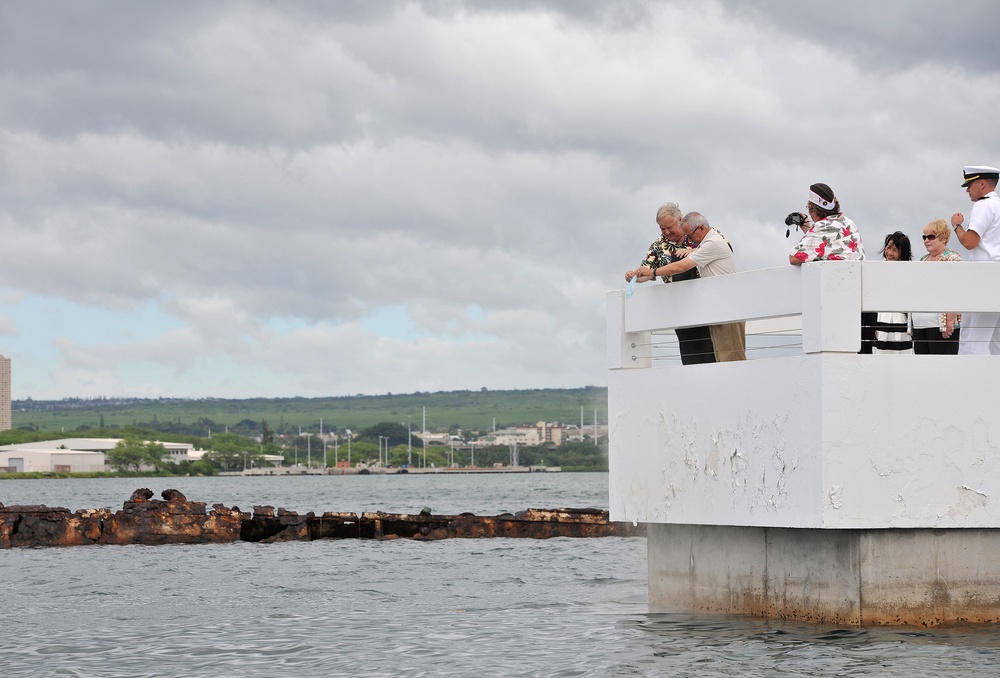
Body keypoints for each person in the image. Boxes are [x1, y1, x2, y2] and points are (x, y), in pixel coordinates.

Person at [624, 203, 716, 364]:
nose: (666, 232)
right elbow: (647, 270)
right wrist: (634, 276)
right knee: (689, 354)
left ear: (680, 220)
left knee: (711, 350)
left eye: (670, 227)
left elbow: (721, 247)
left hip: (706, 302)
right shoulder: (658, 245)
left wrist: (694, 252)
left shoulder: (700, 233)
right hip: (679, 306)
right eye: (662, 229)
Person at [650, 212, 746, 361]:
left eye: (690, 235)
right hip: (721, 310)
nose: (689, 239)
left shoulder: (712, 244)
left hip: (727, 309)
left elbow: (681, 267)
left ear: (701, 228)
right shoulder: (707, 244)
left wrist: (653, 272)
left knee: (731, 359)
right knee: (722, 358)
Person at [787, 183, 871, 350]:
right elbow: (829, 243)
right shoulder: (848, 222)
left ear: (813, 209)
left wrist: (810, 228)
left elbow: (794, 257)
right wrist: (808, 228)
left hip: (837, 299)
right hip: (860, 298)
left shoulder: (820, 228)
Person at [952, 165, 1000, 355]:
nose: (967, 190)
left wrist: (957, 225)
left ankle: (972, 384)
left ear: (982, 183)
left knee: (972, 341)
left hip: (984, 278)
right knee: (995, 343)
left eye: (970, 184)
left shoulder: (983, 205)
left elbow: (970, 241)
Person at [912, 219, 962, 354]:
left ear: (943, 238)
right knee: (923, 367)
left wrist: (950, 319)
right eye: (924, 237)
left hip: (941, 325)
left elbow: (955, 290)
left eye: (931, 237)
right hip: (920, 324)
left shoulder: (953, 259)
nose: (926, 240)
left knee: (943, 367)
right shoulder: (922, 260)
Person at [871, 232, 913, 353]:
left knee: (900, 354)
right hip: (880, 317)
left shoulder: (908, 271)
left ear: (902, 253)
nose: (890, 252)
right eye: (888, 248)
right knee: (879, 354)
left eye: (895, 250)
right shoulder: (877, 270)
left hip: (900, 318)